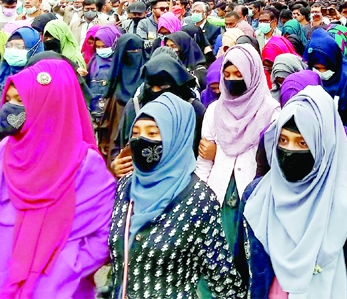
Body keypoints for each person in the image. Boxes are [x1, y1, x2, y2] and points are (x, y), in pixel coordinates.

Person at [0, 59, 115, 298]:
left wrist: (62, 271)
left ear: (50, 104)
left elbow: (102, 236)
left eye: (21, 101)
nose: (11, 109)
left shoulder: (85, 167)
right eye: (9, 99)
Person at [238, 86, 347, 297]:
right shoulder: (256, 198)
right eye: (283, 140)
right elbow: (241, 267)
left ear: (323, 146)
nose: (290, 151)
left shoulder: (346, 212)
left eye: (303, 142)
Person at [108, 93, 247, 298]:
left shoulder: (198, 200)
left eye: (153, 133)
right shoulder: (125, 188)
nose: (141, 141)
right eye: (136, 133)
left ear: (175, 137)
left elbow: (223, 280)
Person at [196, 44, 280, 252]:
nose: (232, 79)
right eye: (227, 74)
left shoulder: (272, 113)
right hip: (218, 195)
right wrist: (200, 199)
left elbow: (272, 161)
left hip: (253, 198)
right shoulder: (215, 110)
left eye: (238, 74)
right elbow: (204, 162)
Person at [304, 30, 347, 158]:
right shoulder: (308, 79)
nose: (321, 73)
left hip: (345, 149)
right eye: (317, 68)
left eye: (325, 68)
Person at [97, 34, 146, 160]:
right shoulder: (113, 92)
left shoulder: (148, 85)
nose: (135, 55)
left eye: (137, 51)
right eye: (130, 52)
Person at [86, 26, 120, 118]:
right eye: (98, 47)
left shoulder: (120, 61)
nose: (101, 50)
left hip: (113, 111)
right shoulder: (93, 61)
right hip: (94, 110)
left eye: (104, 46)